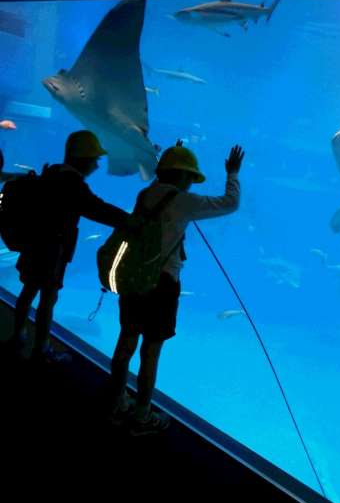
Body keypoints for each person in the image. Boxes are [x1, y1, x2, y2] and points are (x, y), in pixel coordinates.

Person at [109, 141, 245, 435]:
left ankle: (117, 402)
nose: (190, 183)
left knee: (126, 343)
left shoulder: (145, 194)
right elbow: (230, 203)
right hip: (162, 286)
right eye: (190, 177)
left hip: (134, 280)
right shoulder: (185, 201)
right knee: (150, 352)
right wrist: (232, 174)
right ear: (183, 175)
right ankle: (142, 415)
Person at [10, 130, 138, 364]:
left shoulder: (52, 172)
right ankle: (41, 349)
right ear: (82, 159)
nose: (97, 166)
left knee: (27, 292)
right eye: (94, 160)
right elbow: (97, 209)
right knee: (48, 299)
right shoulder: (72, 184)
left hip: (33, 244)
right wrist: (129, 220)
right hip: (52, 251)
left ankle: (17, 337)